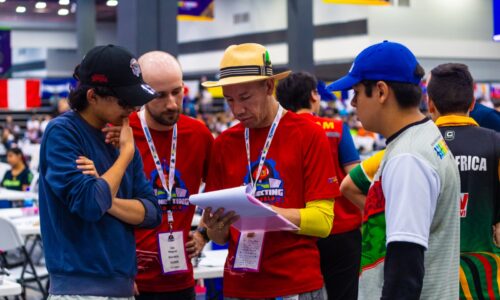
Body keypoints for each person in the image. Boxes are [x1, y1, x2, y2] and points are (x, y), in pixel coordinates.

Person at [201, 43, 340, 299]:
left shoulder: (308, 134)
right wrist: (214, 227)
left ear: (268, 87)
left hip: (295, 284)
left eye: (244, 98)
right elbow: (219, 238)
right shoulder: (223, 145)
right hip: (240, 286)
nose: (237, 110)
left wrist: (266, 213)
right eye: (229, 100)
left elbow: (323, 222)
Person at [328, 41, 460, 299]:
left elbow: (405, 271)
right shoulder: (423, 135)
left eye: (356, 92)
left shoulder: (408, 158)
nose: (353, 103)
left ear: (380, 91)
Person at [38, 44, 162, 299]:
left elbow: (151, 212)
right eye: (125, 101)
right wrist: (126, 156)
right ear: (92, 96)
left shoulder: (120, 137)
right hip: (78, 291)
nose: (134, 110)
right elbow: (90, 205)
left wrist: (106, 194)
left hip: (123, 288)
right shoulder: (63, 133)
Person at [128, 51, 214, 300]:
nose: (172, 103)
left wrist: (203, 234)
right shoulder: (122, 132)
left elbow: (220, 192)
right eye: (160, 95)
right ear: (141, 93)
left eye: (177, 92)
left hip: (180, 278)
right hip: (130, 279)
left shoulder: (198, 134)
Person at [276, 71, 361, 300]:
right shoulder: (336, 127)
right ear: (314, 96)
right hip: (342, 230)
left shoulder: (278, 134)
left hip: (299, 230)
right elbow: (355, 176)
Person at [427, 63, 500, 299]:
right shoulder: (495, 142)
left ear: (430, 104)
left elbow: (352, 185)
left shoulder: (414, 145)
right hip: (485, 277)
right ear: (472, 104)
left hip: (431, 274)